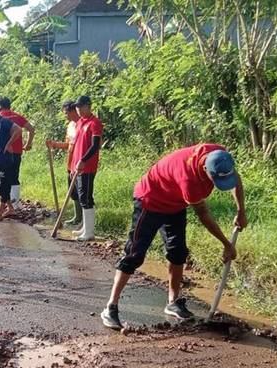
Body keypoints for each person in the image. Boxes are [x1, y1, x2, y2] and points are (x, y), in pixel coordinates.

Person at [100, 144, 246, 329]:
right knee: (134, 254)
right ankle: (110, 307)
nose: (217, 183)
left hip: (175, 203)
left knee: (178, 251)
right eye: (215, 179)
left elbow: (235, 178)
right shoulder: (189, 179)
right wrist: (226, 244)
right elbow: (204, 215)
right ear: (205, 169)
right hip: (150, 200)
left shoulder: (219, 155)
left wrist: (241, 210)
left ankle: (173, 302)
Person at [70, 95, 103, 241]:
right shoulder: (79, 123)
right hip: (77, 166)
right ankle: (85, 227)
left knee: (86, 197)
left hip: (87, 166)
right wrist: (73, 166)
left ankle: (89, 232)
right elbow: (76, 146)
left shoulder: (95, 123)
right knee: (81, 196)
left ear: (88, 106)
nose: (78, 110)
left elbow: (95, 145)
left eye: (80, 107)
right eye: (77, 107)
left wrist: (83, 160)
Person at [46, 101, 81, 227]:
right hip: (70, 163)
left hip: (81, 164)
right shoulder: (70, 126)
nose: (65, 115)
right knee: (73, 192)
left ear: (73, 111)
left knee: (83, 192)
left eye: (66, 113)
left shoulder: (82, 124)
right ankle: (77, 217)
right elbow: (67, 145)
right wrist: (54, 144)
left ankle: (83, 220)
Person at [0, 97, 35, 209]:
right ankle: (14, 204)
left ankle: (5, 202)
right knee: (14, 176)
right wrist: (28, 144)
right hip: (17, 152)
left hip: (2, 153)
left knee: (1, 177)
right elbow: (31, 129)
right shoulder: (17, 117)